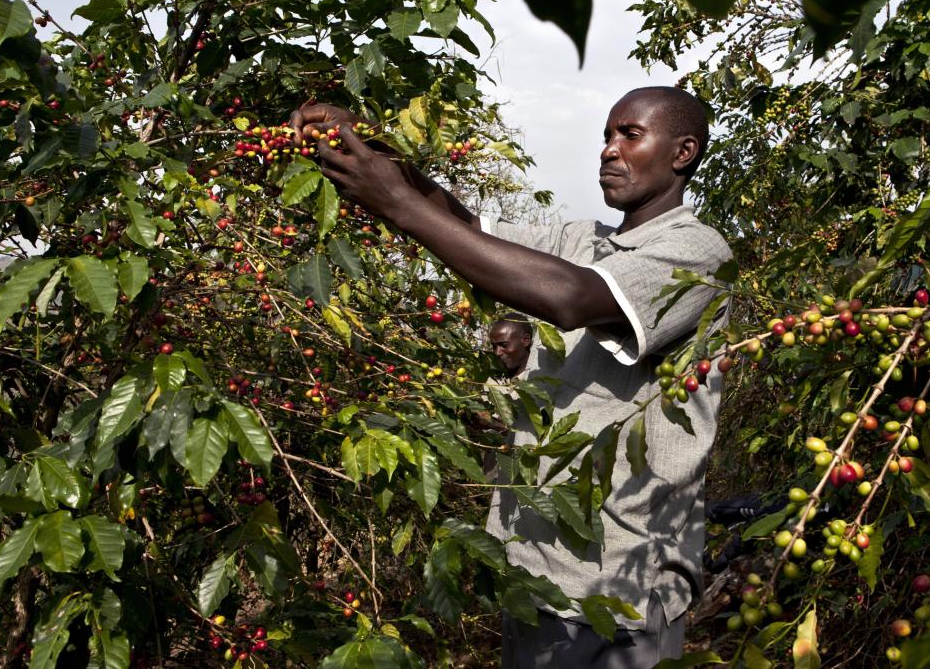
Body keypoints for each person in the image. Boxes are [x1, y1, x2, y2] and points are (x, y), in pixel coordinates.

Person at [290, 87, 731, 668]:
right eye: (606, 135)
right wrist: (370, 146)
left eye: (630, 135)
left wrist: (398, 203)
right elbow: (470, 227)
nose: (608, 150)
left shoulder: (696, 252)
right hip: (537, 572)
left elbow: (570, 298)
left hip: (617, 584)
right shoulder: (585, 241)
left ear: (683, 152)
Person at [489, 313, 534, 379]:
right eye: (494, 347)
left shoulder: (541, 380)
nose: (497, 353)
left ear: (526, 340)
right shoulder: (492, 383)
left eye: (504, 345)